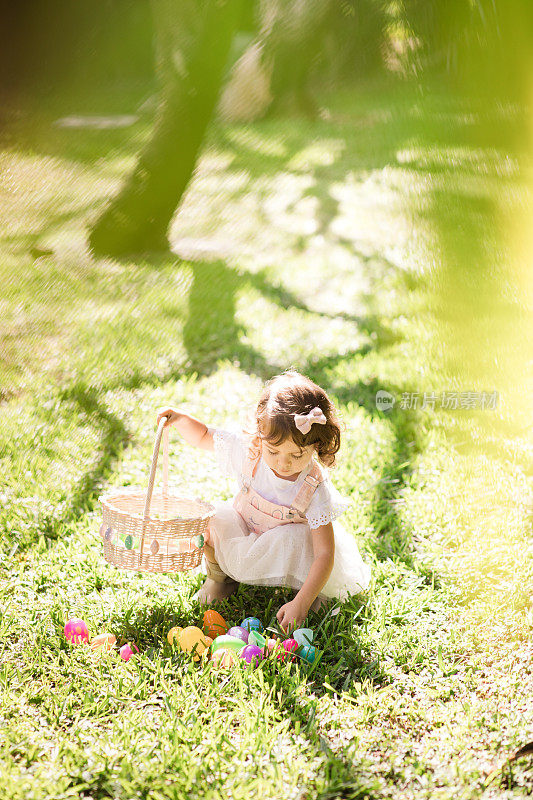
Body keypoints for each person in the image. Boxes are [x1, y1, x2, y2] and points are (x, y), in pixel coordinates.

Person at [156, 370, 371, 630]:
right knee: (213, 520)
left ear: (317, 446)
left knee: (301, 542)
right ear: (260, 435)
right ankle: (220, 579)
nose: (284, 462)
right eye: (274, 450)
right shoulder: (251, 450)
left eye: (297, 453)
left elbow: (324, 554)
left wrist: (300, 604)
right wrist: (179, 419)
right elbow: (204, 436)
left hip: (287, 548)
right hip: (249, 530)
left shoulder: (314, 487)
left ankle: (307, 595)